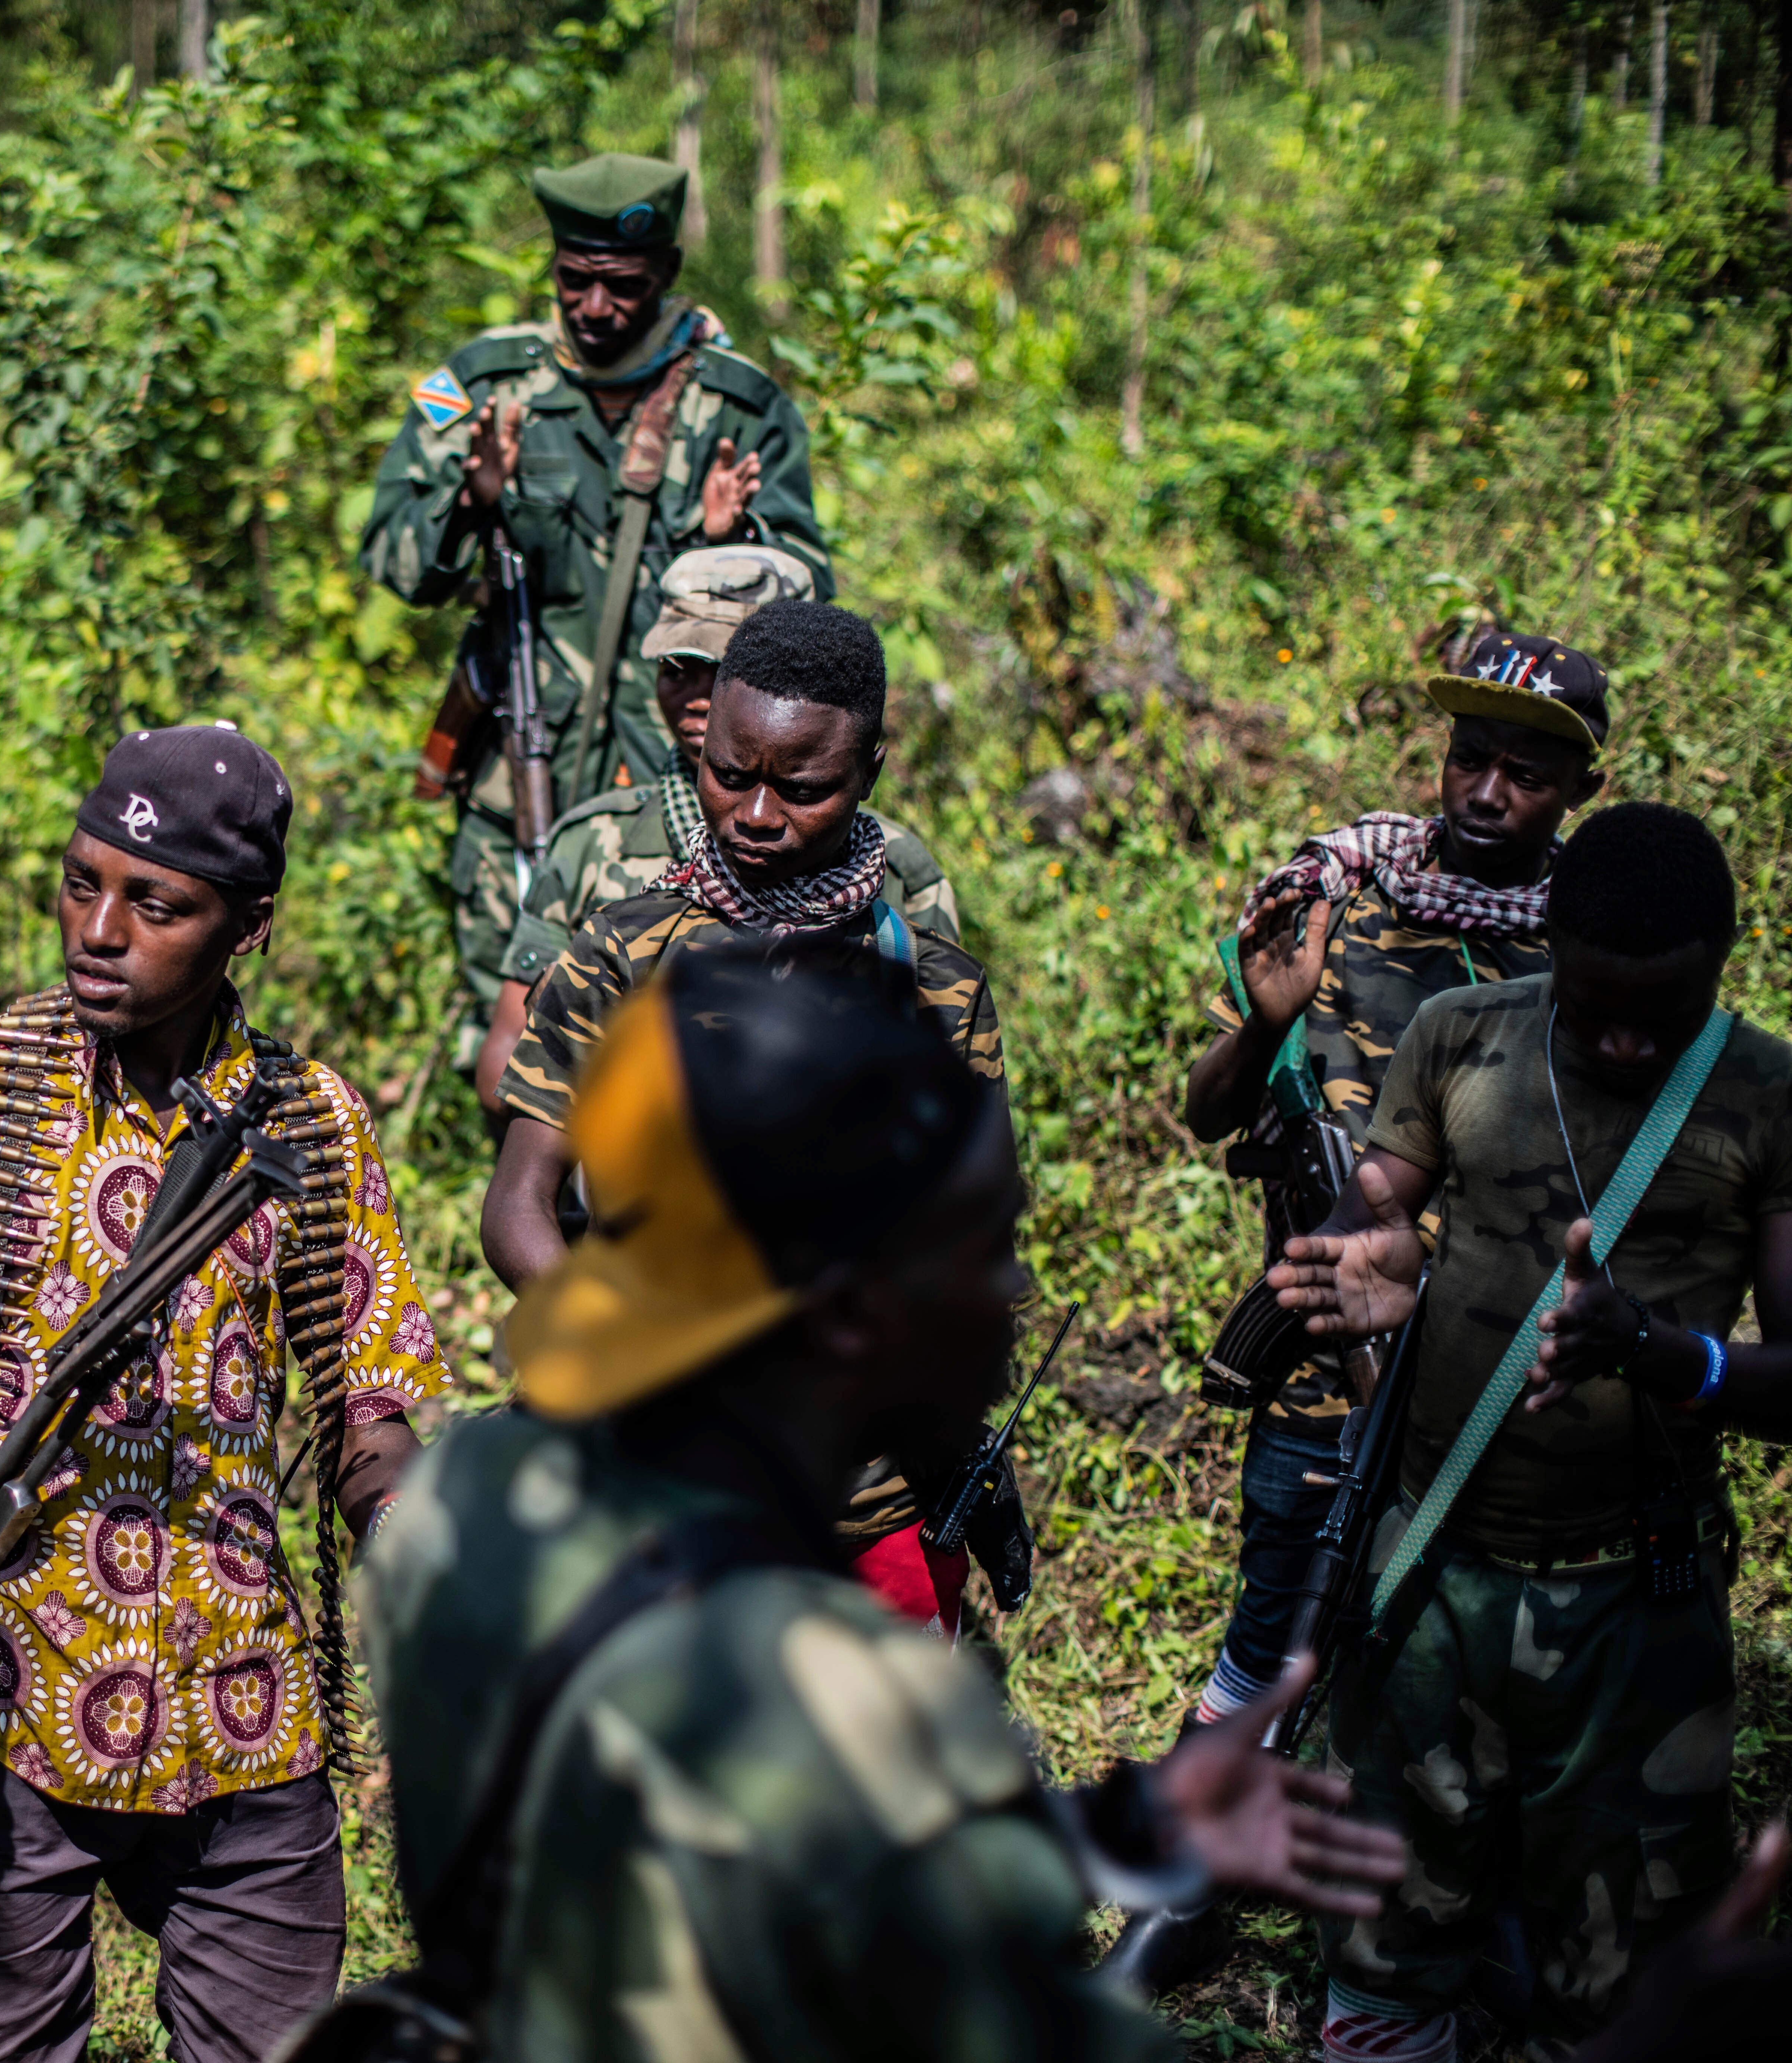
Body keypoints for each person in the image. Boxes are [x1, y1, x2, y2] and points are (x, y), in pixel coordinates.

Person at [363, 952, 1410, 2063]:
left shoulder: (473, 1505)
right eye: (978, 1249)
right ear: (859, 1316)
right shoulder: (843, 1687)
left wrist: (1119, 1827)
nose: (1011, 1293)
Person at [0, 723, 450, 2063]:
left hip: (245, 1709)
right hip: (0, 1691)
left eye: (155, 905)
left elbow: (364, 1397)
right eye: (81, 884)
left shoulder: (305, 1123)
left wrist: (413, 1529)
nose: (100, 929)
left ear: (246, 927)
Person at [1106, 633, 1612, 1991]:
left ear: (1573, 785)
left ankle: (1463, 1913)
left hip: (1489, 1381)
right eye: (1468, 755)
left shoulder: (1590, 954)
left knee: (1471, 1665)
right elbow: (1207, 1110)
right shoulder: (1334, 896)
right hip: (1323, 1363)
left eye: (1524, 768)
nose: (1485, 788)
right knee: (1268, 1630)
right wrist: (1261, 1019)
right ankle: (1177, 1887)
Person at [1270, 800, 1792, 2060]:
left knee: (1621, 1973)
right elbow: (1382, 1190)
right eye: (1594, 997)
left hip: (1634, 1593)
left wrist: (1669, 1357)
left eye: (1658, 1010)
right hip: (1429, 1567)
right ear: (1548, 939)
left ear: (1723, 959)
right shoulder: (1460, 1037)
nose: (1622, 1036)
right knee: (1386, 1935)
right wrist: (1368, 1251)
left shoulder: (1763, 1094)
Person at [485, 598, 1000, 1632]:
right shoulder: (623, 954)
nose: (757, 817)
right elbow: (518, 1208)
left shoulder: (936, 991)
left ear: (870, 774)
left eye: (803, 790)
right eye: (730, 775)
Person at [359, 152, 830, 1013]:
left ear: (667, 275)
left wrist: (730, 548)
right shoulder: (486, 388)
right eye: (575, 280)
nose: (596, 307)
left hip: (682, 797)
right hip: (519, 781)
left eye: (623, 285)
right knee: (507, 1040)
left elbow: (812, 599)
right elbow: (390, 553)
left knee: (679, 1031)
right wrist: (471, 501)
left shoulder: (737, 405)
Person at [470, 544, 959, 1115]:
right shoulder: (594, 841)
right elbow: (505, 1066)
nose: (700, 696)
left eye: (727, 668)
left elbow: (945, 1091)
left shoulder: (893, 873)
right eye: (678, 669)